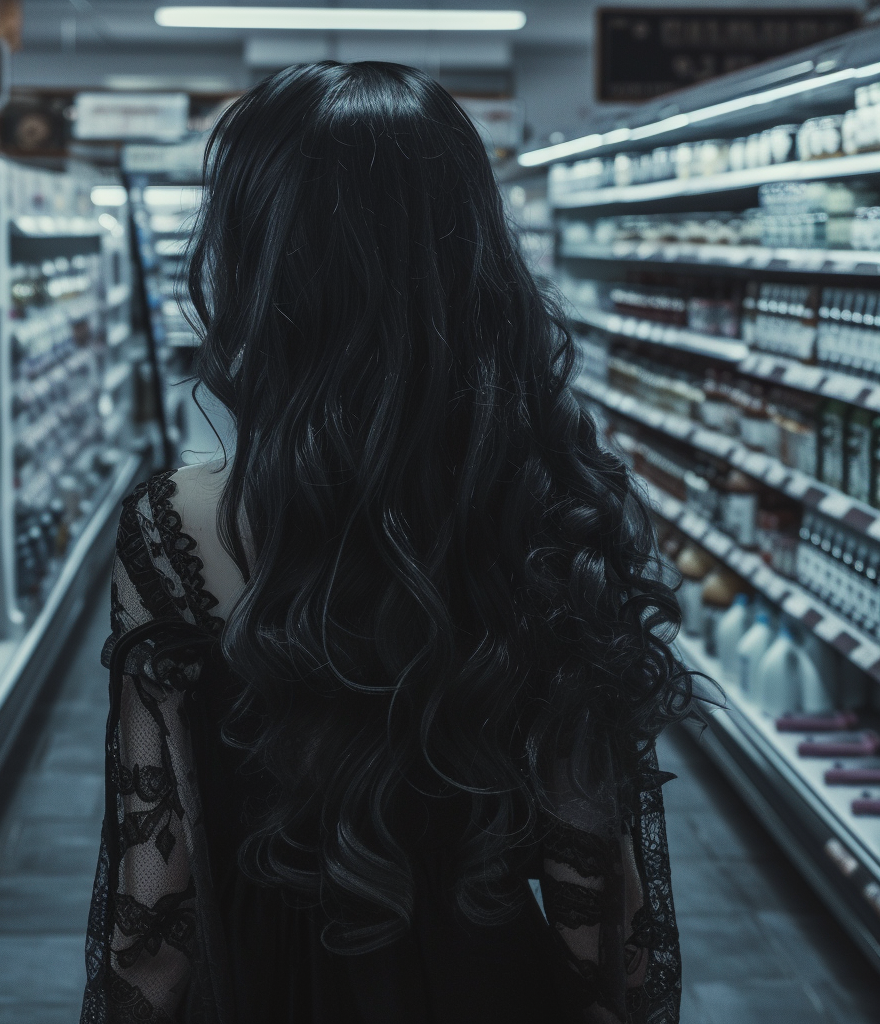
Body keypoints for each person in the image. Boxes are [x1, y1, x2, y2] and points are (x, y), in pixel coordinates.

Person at [81, 61, 690, 1024]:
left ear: (260, 261)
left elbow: (153, 895)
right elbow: (598, 894)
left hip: (269, 987)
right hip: (494, 981)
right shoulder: (548, 510)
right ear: (475, 254)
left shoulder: (176, 529)